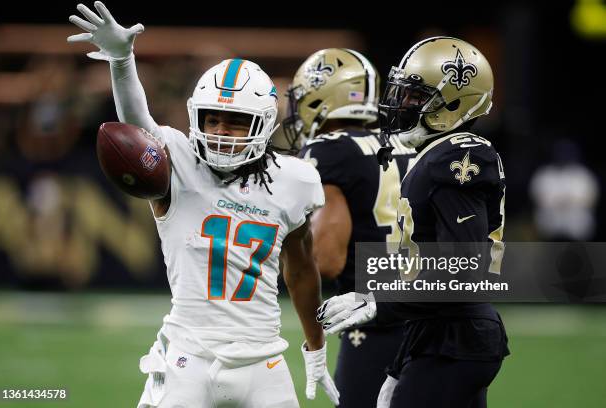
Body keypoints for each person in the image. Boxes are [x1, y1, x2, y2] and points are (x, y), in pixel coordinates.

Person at [67, 2, 339, 407]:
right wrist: (122, 60)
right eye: (212, 120)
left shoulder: (294, 180)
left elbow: (301, 270)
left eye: (235, 122)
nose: (220, 132)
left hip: (263, 361)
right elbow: (136, 121)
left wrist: (315, 347)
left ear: (263, 124)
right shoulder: (178, 162)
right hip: (186, 358)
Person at [317, 37, 509, 408]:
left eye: (415, 96)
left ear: (455, 101)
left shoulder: (458, 156)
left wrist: (377, 302)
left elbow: (461, 271)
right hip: (443, 335)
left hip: (457, 340)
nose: (402, 104)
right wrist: (399, 363)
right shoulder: (435, 155)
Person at [284, 48, 415, 408]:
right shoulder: (409, 143)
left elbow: (326, 260)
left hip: (374, 323)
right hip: (432, 314)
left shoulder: (330, 151)